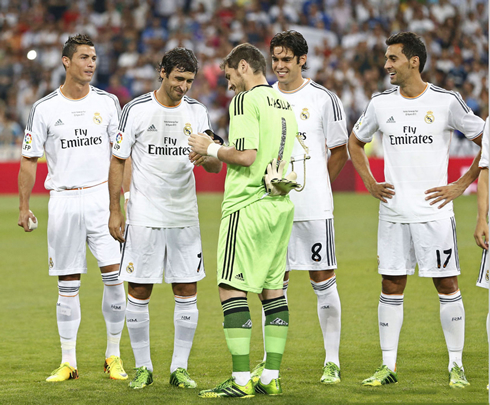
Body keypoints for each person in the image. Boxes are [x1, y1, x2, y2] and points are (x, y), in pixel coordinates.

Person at [348, 32, 484, 388]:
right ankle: (387, 366)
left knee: (447, 283)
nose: (385, 65)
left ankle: (456, 365)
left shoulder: (446, 101)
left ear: (413, 61)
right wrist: (370, 182)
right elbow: (355, 141)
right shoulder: (380, 104)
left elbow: (485, 139)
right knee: (391, 285)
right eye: (386, 58)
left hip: (435, 214)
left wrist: (461, 184)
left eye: (392, 58)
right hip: (393, 213)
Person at [108, 47, 222, 390]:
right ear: (162, 72)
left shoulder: (198, 112)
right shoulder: (137, 110)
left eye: (189, 80)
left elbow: (217, 164)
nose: (183, 87)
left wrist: (209, 155)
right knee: (139, 289)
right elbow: (117, 160)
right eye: (177, 79)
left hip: (185, 214)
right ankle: (143, 367)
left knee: (187, 289)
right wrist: (116, 209)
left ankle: (179, 368)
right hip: (144, 215)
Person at [188, 43, 298, 398]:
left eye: (231, 74)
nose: (230, 83)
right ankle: (269, 376)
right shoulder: (284, 104)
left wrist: (210, 148)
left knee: (230, 288)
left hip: (247, 205)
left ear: (245, 66)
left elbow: (247, 156)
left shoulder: (245, 101)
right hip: (279, 204)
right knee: (272, 290)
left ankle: (239, 382)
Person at [18, 34, 128, 382]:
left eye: (94, 57)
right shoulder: (45, 108)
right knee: (67, 283)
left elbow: (121, 156)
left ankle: (113, 356)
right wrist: (24, 206)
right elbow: (29, 160)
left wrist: (122, 201)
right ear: (66, 61)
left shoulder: (109, 103)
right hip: (63, 200)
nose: (91, 63)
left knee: (114, 277)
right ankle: (69, 362)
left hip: (101, 198)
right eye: (83, 57)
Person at [250, 30, 348, 385]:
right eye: (275, 59)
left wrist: (318, 185)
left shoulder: (324, 99)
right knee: (274, 284)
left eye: (286, 60)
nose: (279, 66)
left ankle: (332, 361)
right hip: (272, 208)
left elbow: (340, 150)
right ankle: (268, 360)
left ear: (302, 60)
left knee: (322, 280)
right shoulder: (260, 98)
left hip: (313, 209)